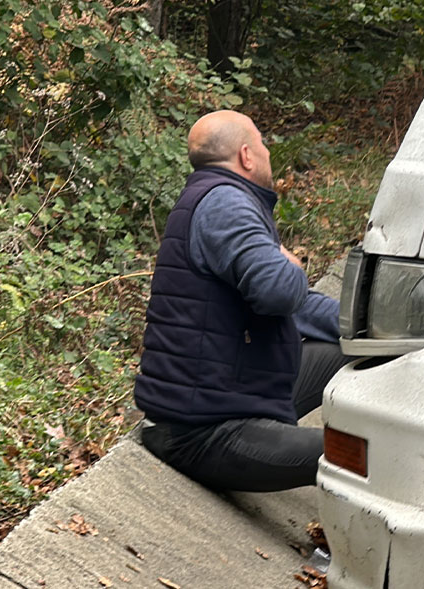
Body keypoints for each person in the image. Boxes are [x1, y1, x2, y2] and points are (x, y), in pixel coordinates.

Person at [135, 109, 349, 492]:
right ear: (246, 156)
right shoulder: (225, 205)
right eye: (263, 144)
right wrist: (293, 266)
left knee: (358, 346)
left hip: (235, 393)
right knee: (368, 454)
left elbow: (294, 306)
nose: (268, 153)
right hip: (203, 430)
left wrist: (371, 325)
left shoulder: (221, 199)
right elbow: (280, 290)